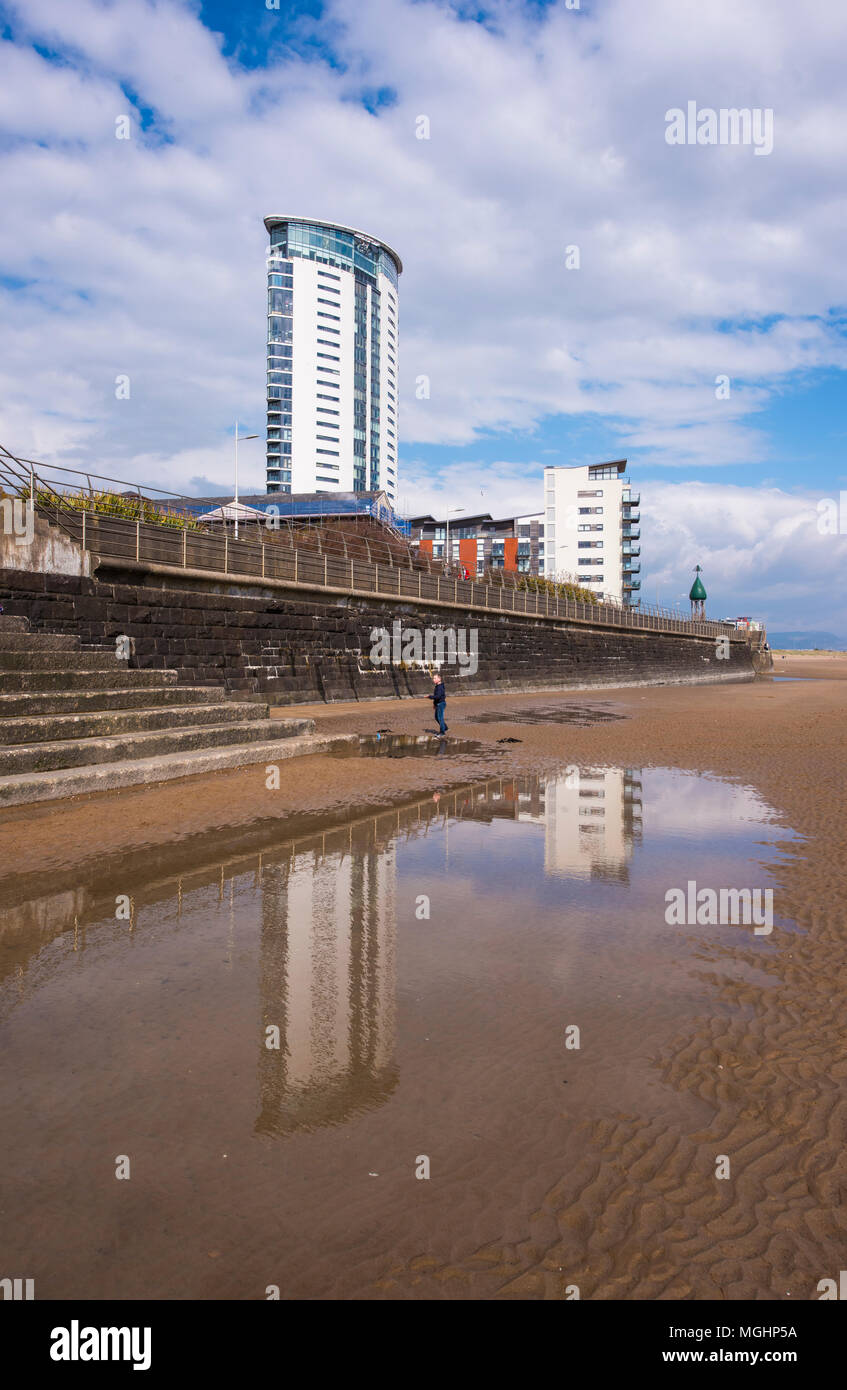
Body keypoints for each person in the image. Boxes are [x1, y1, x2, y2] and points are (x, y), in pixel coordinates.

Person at [430, 670, 448, 734]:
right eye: (433, 678)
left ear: (439, 679)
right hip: (438, 704)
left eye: (435, 678)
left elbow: (438, 696)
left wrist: (430, 697)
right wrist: (434, 704)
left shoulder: (440, 687)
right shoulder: (437, 686)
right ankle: (445, 727)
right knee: (436, 717)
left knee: (440, 718)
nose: (433, 680)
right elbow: (437, 697)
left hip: (441, 704)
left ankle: (442, 732)